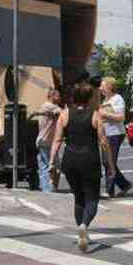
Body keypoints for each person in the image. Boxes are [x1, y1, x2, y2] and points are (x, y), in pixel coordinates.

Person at [49, 83, 115, 252]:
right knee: (92, 198)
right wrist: (110, 165)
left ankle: (81, 231)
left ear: (73, 98)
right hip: (89, 160)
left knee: (78, 198)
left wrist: (51, 161)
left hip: (70, 161)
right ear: (89, 99)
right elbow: (103, 142)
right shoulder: (95, 116)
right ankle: (84, 225)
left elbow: (56, 140)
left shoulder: (64, 114)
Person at [99, 77, 132, 197]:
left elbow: (121, 117)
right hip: (105, 134)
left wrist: (104, 114)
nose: (100, 88)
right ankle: (124, 185)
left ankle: (109, 191)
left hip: (115, 133)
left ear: (109, 86)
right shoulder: (104, 100)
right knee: (106, 162)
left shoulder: (118, 99)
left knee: (109, 161)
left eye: (102, 86)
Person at [36, 88, 62, 192]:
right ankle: (48, 190)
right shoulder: (48, 106)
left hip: (49, 141)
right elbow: (62, 112)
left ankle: (51, 188)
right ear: (51, 96)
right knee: (48, 166)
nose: (59, 98)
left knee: (52, 166)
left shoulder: (51, 107)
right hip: (45, 141)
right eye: (58, 96)